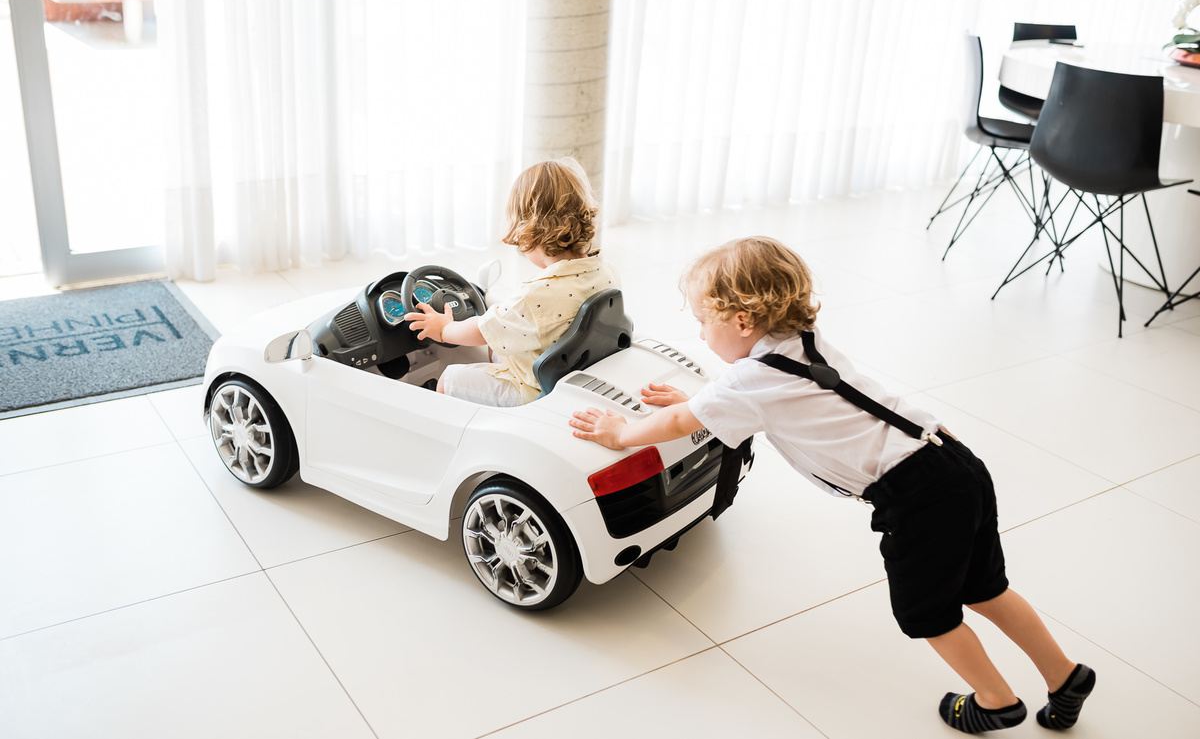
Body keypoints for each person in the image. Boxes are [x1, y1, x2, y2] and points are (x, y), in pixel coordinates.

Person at [569, 236, 1094, 734]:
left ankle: (996, 702)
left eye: (703, 321)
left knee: (927, 613)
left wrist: (621, 433)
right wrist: (704, 402)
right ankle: (1065, 676)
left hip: (917, 497)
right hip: (953, 460)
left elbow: (685, 421)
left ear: (742, 320)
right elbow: (767, 395)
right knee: (986, 588)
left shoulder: (748, 382)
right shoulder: (803, 341)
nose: (701, 334)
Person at [405, 157, 618, 407]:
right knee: (496, 348)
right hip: (570, 370)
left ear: (529, 230)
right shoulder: (606, 271)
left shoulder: (535, 296)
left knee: (448, 379)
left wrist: (443, 329)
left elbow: (482, 330)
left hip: (533, 389)